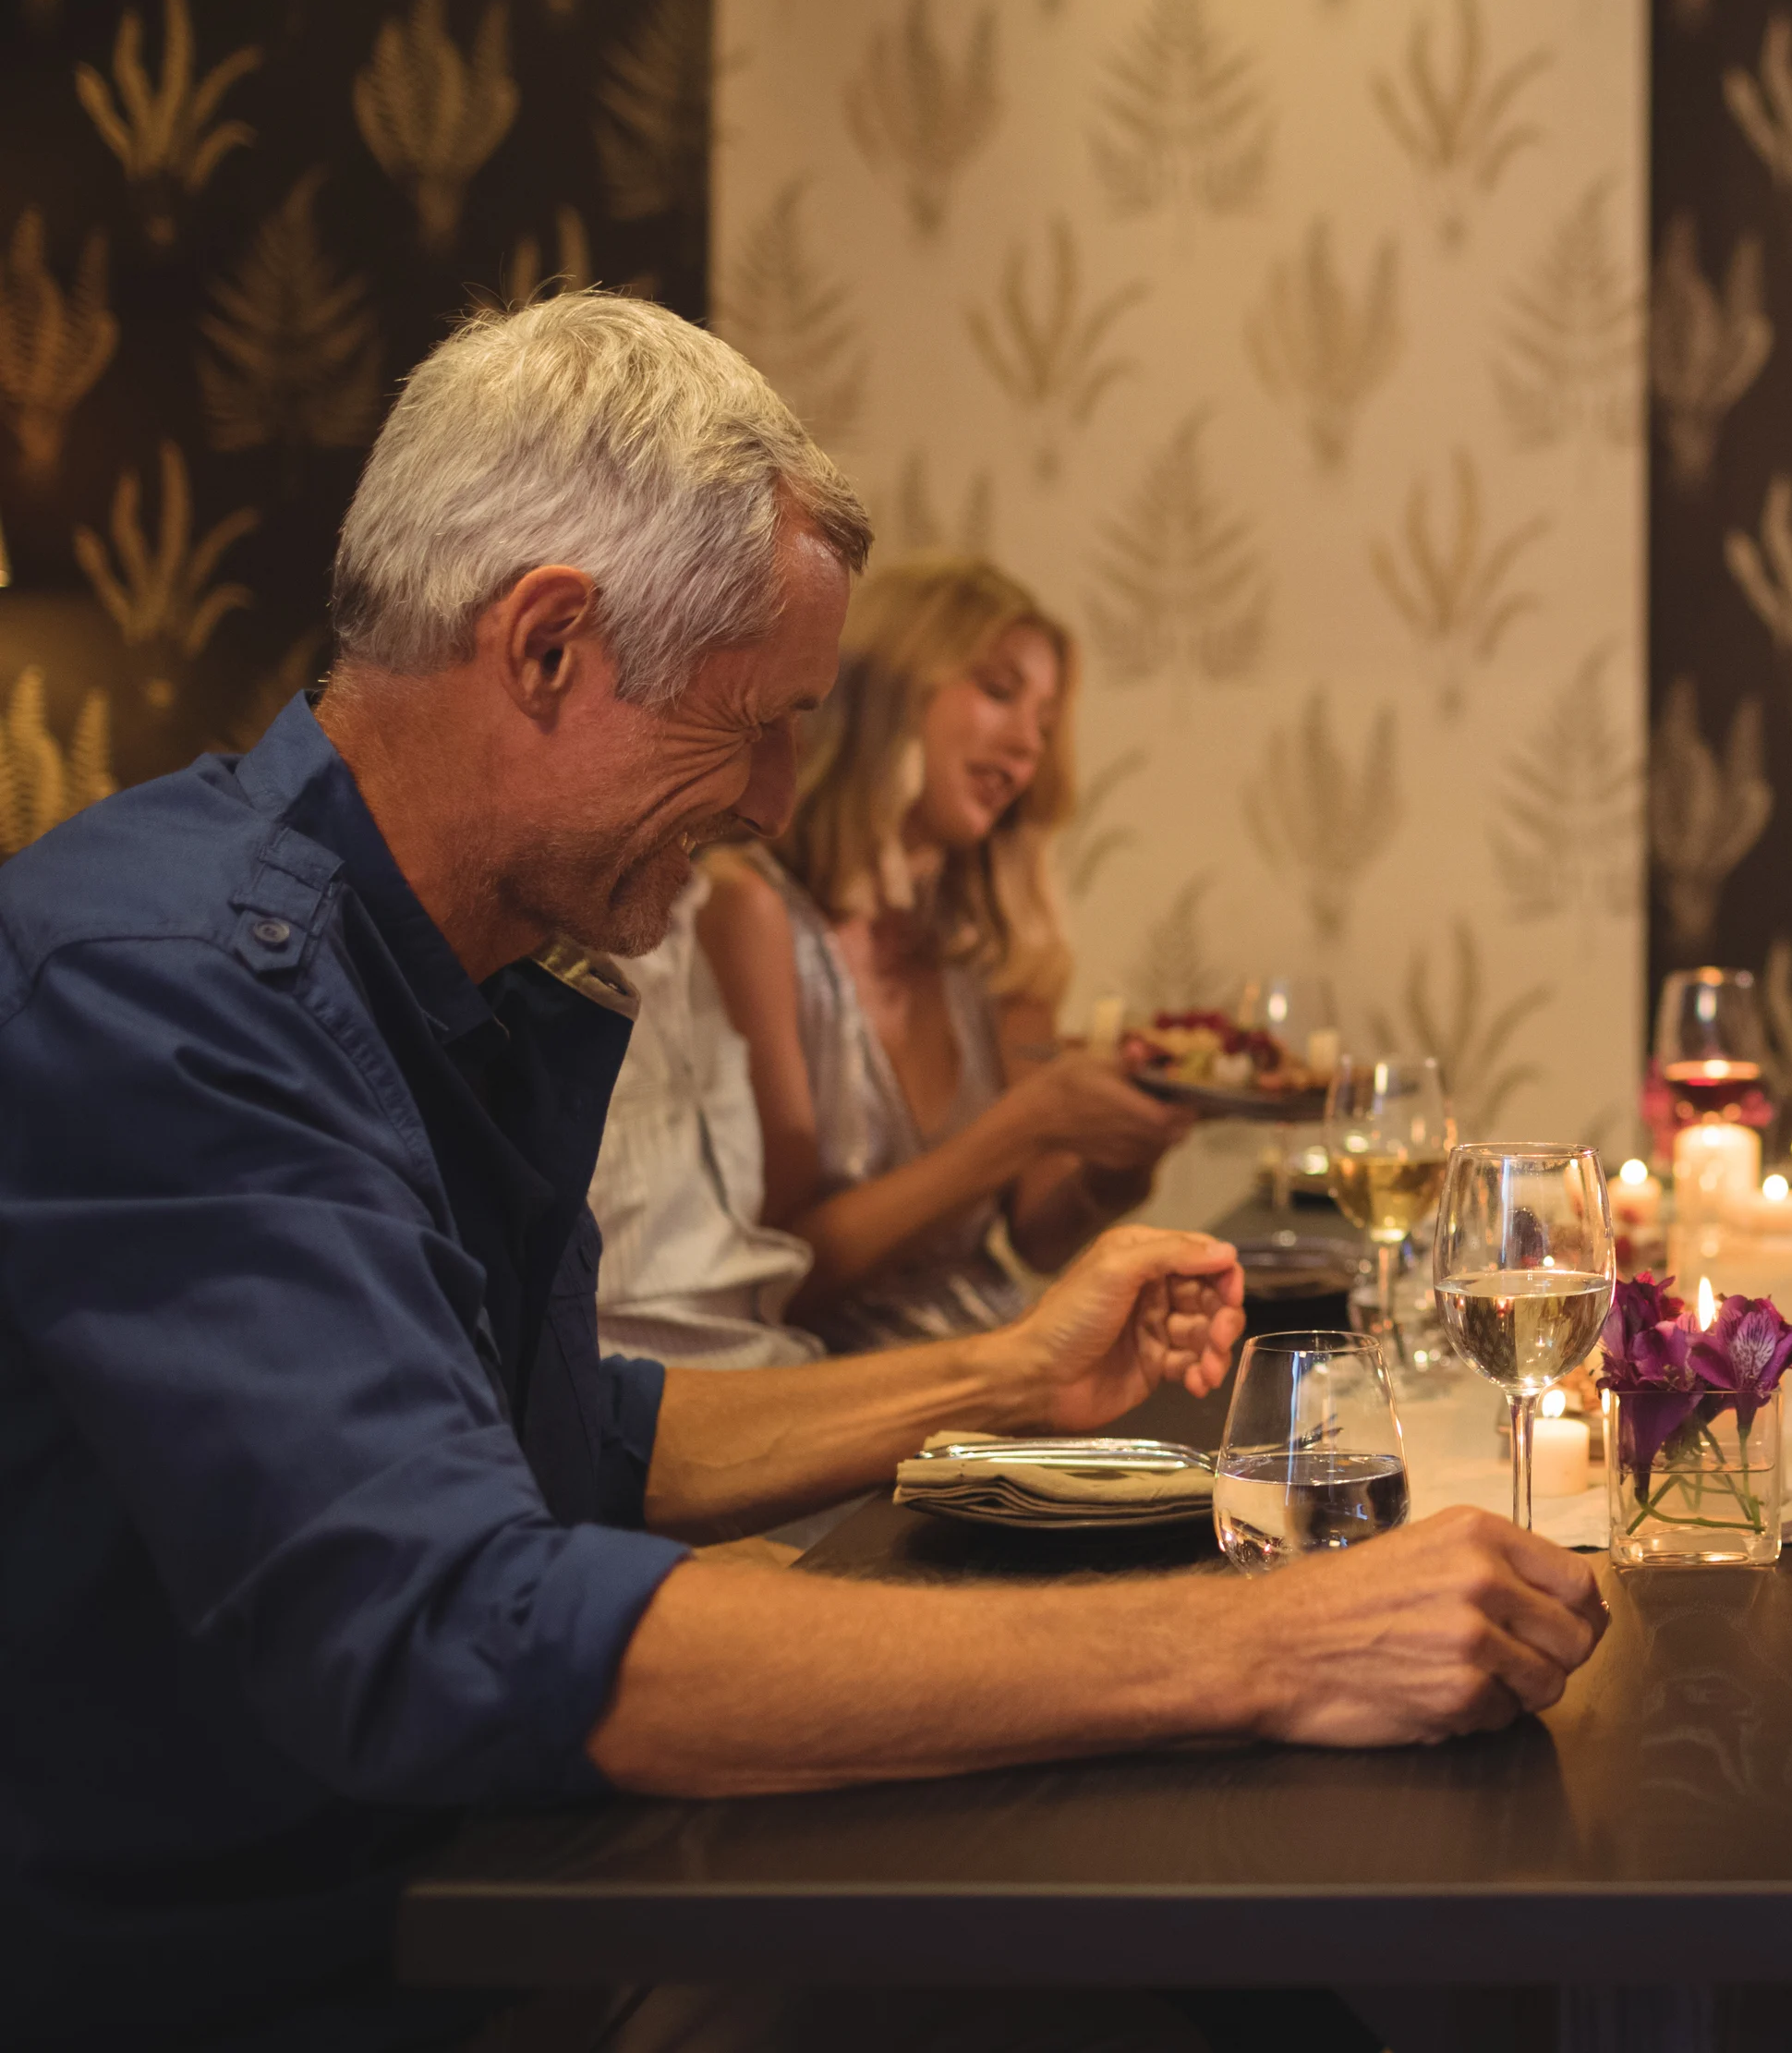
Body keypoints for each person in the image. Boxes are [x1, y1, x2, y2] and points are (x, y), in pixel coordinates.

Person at [0, 295, 1609, 2053]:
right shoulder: (167, 992)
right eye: (753, 721)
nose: (775, 797)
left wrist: (1006, 1372)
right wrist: (1284, 1645)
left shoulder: (428, 962)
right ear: (546, 648)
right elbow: (454, 1618)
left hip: (508, 1891)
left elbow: (577, 1436)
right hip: (298, 1978)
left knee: (1281, 1992)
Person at [696, 557, 1194, 1350]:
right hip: (841, 1404)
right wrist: (1027, 1125)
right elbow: (785, 1272)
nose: (1028, 743)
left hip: (1001, 1374)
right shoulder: (751, 909)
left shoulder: (993, 942)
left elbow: (1038, 1235)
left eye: (1045, 717)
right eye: (999, 691)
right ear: (893, 688)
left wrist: (1126, 1154)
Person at [590, 877, 824, 1371]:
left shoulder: (705, 905)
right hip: (633, 1383)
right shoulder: (533, 954)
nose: (768, 821)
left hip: (765, 1357)